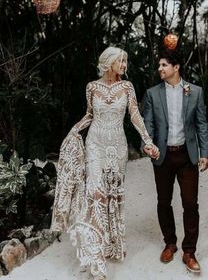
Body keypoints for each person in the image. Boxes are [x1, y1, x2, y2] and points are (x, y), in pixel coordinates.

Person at [51, 46, 159, 280]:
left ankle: (109, 245)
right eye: (121, 61)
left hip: (117, 149)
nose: (124, 65)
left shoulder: (127, 87)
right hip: (95, 146)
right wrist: (74, 130)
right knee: (95, 195)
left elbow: (134, 115)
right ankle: (96, 257)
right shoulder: (92, 87)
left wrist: (148, 141)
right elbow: (90, 114)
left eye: (125, 61)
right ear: (109, 62)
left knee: (111, 195)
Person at [143, 49, 208, 273]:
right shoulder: (152, 94)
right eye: (159, 65)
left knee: (190, 203)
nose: (160, 69)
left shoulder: (195, 92)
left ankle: (189, 251)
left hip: (187, 155)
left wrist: (205, 153)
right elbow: (148, 124)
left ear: (176, 67)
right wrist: (148, 144)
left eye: (164, 65)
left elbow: (201, 124)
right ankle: (170, 243)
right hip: (162, 156)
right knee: (164, 201)